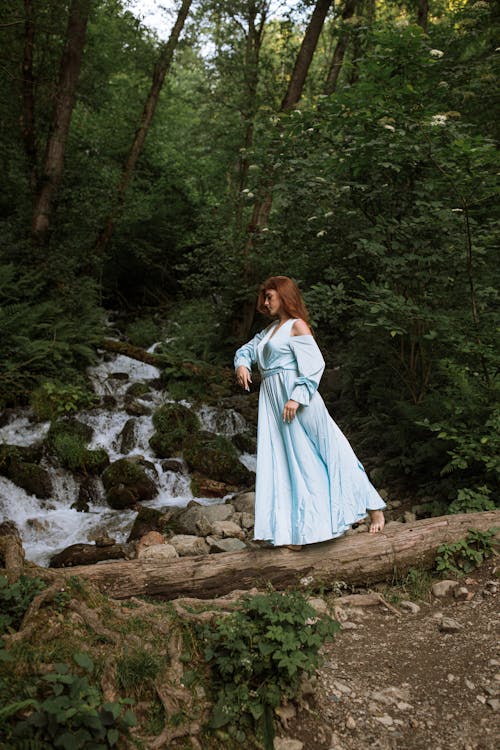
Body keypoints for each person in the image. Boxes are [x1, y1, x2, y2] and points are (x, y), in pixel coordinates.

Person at [234, 275, 385, 550]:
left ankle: (373, 507)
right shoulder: (268, 331)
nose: (266, 302)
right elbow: (247, 350)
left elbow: (315, 363)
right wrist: (242, 364)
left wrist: (297, 397)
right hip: (273, 402)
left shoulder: (296, 326)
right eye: (264, 297)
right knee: (290, 460)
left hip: (297, 400)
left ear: (284, 296)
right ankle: (299, 529)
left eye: (270, 296)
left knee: (333, 449)